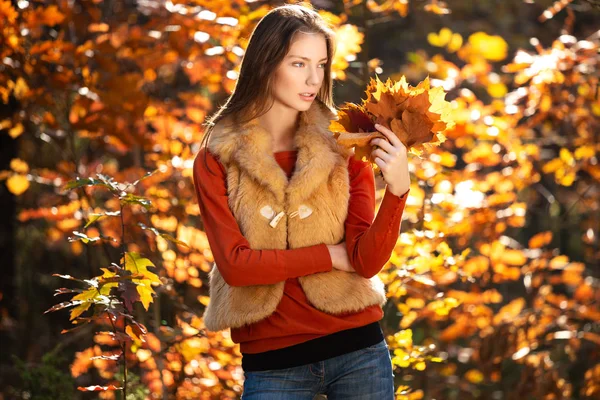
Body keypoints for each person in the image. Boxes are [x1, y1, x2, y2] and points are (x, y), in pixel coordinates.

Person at [192, 3, 410, 399]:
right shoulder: (217, 157)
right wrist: (329, 255)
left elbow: (364, 261)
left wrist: (397, 191)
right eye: (298, 64)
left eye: (321, 64)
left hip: (359, 351)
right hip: (273, 365)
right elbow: (237, 267)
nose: (313, 79)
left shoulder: (344, 146)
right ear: (265, 64)